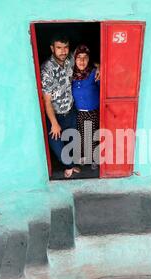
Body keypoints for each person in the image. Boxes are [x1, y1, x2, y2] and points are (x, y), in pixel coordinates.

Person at [41, 34, 81, 178]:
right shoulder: (47, 70)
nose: (63, 51)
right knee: (56, 145)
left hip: (70, 111)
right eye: (59, 48)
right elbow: (47, 101)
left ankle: (71, 164)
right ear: (52, 48)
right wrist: (54, 123)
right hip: (55, 115)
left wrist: (98, 65)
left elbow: (84, 59)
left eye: (65, 47)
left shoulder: (70, 59)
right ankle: (68, 166)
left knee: (73, 140)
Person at [72, 45, 100, 170]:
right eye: (79, 57)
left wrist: (100, 66)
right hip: (79, 112)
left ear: (89, 59)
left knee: (92, 135)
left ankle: (95, 158)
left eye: (85, 57)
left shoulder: (95, 73)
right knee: (82, 136)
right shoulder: (71, 74)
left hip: (92, 111)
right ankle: (84, 157)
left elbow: (105, 87)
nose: (82, 61)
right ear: (74, 59)